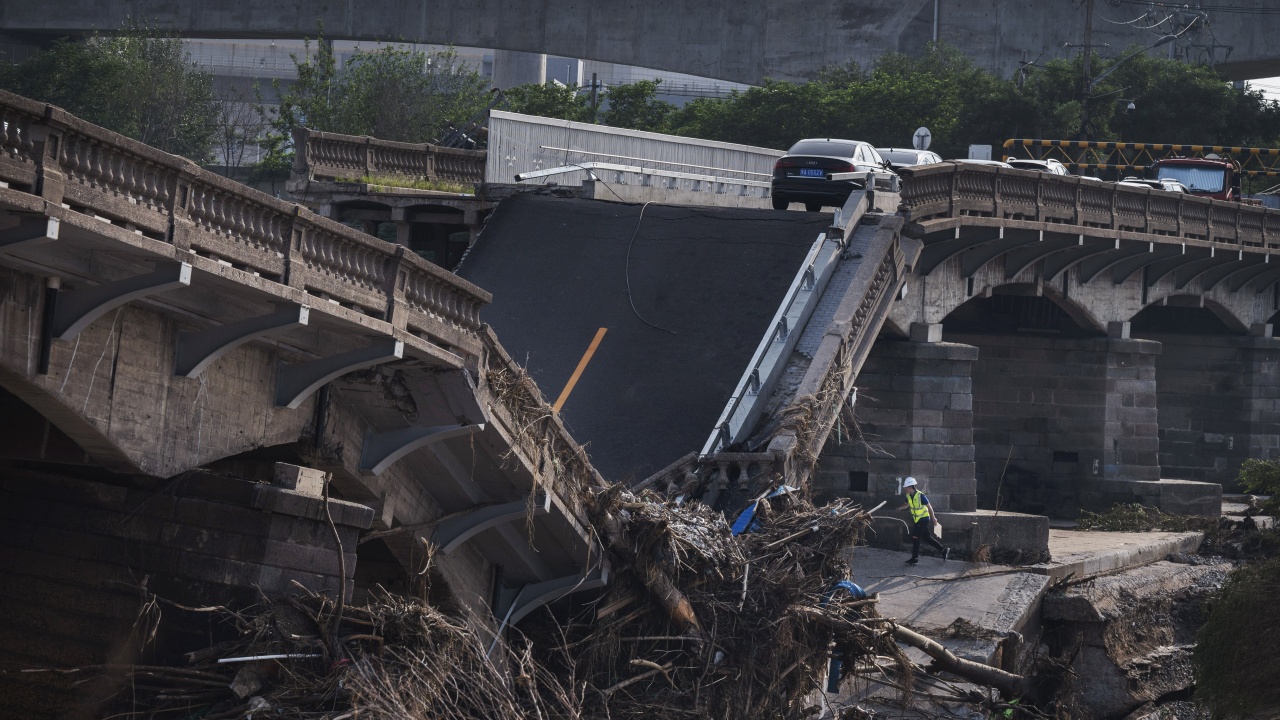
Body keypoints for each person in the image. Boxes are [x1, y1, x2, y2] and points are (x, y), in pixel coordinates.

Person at [897, 477, 949, 564]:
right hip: (917, 519)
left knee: (915, 537)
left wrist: (933, 519)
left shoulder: (920, 495)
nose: (904, 489)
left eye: (906, 487)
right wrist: (900, 508)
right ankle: (943, 550)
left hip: (924, 519)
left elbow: (929, 507)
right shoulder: (908, 495)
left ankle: (915, 558)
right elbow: (906, 505)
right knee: (926, 538)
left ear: (910, 487)